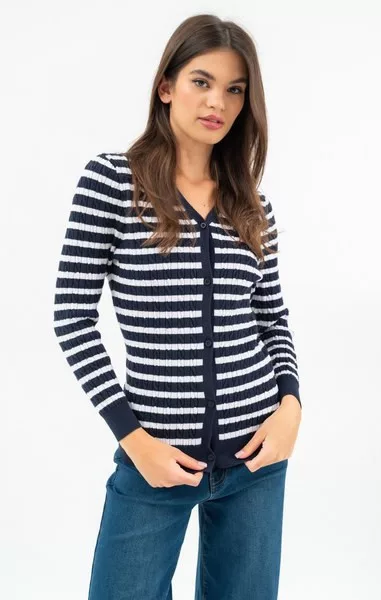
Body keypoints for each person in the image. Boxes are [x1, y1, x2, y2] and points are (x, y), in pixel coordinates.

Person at [53, 13, 302, 600]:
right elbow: (72, 316)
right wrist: (133, 438)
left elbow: (271, 317)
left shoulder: (252, 205)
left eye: (235, 89)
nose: (217, 102)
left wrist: (291, 406)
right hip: (154, 459)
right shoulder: (113, 183)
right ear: (166, 86)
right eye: (201, 81)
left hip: (257, 458)